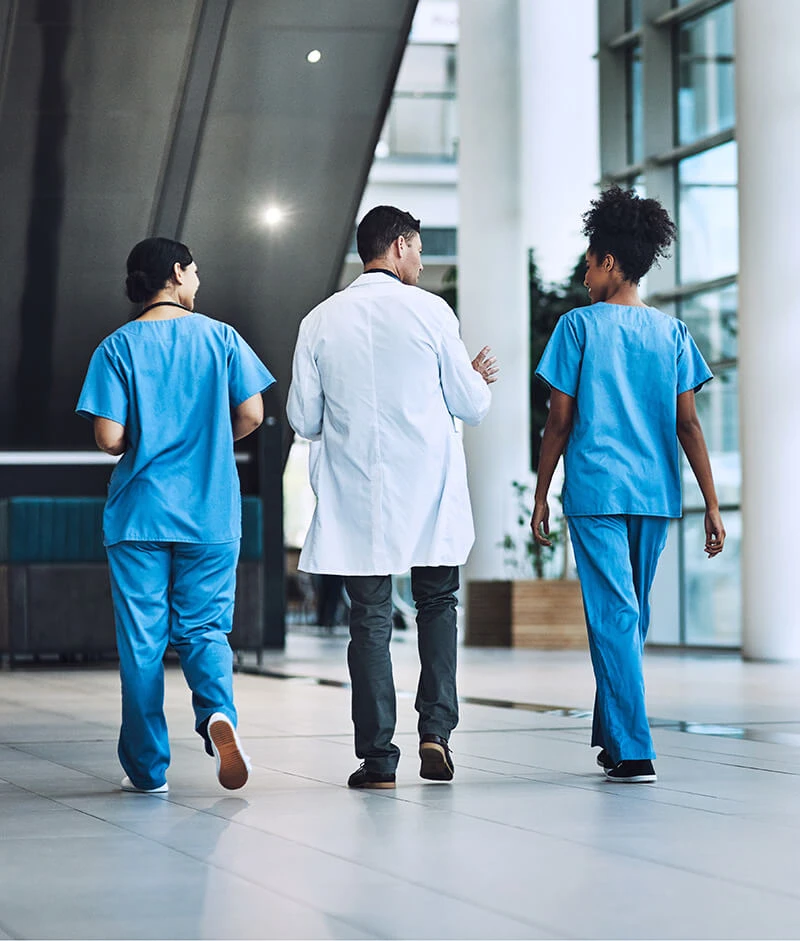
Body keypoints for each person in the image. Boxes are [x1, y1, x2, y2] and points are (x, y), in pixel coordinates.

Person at [287, 205, 497, 789]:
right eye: (421, 250)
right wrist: (474, 376)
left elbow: (303, 417)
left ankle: (378, 760)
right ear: (400, 246)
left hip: (360, 496)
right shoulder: (432, 312)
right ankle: (436, 732)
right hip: (428, 492)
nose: (422, 262)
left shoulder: (320, 320)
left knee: (370, 621)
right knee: (437, 606)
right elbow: (471, 404)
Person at [532, 186, 725, 783]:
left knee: (616, 618)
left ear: (610, 262)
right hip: (656, 494)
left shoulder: (577, 327)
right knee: (629, 619)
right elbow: (688, 425)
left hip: (596, 494)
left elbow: (559, 420)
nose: (585, 276)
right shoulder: (672, 335)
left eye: (590, 264)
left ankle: (635, 749)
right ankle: (614, 738)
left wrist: (540, 492)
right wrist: (711, 507)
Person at [76, 237, 275, 793]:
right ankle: (218, 717)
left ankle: (147, 770)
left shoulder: (116, 347)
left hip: (138, 515)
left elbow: (109, 436)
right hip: (210, 511)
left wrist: (145, 441)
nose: (197, 282)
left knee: (142, 642)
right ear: (177, 273)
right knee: (205, 628)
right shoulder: (222, 338)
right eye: (194, 272)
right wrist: (209, 438)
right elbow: (253, 414)